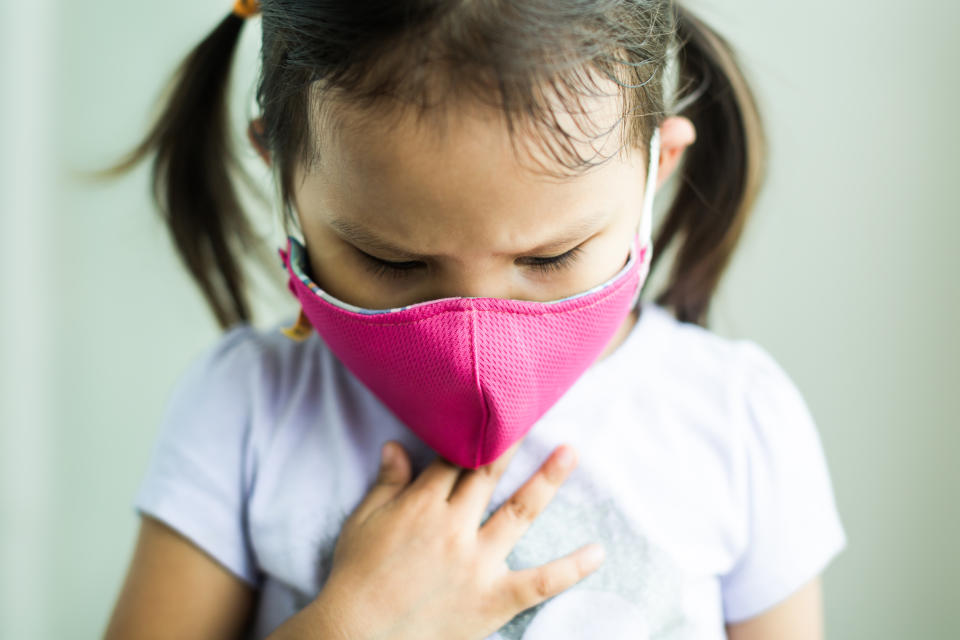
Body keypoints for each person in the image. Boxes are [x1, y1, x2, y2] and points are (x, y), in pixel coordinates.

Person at [99, 0, 848, 638]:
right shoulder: (246, 408)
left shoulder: (738, 420)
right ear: (282, 171)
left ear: (656, 167)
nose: (476, 350)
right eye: (394, 262)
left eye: (552, 256)